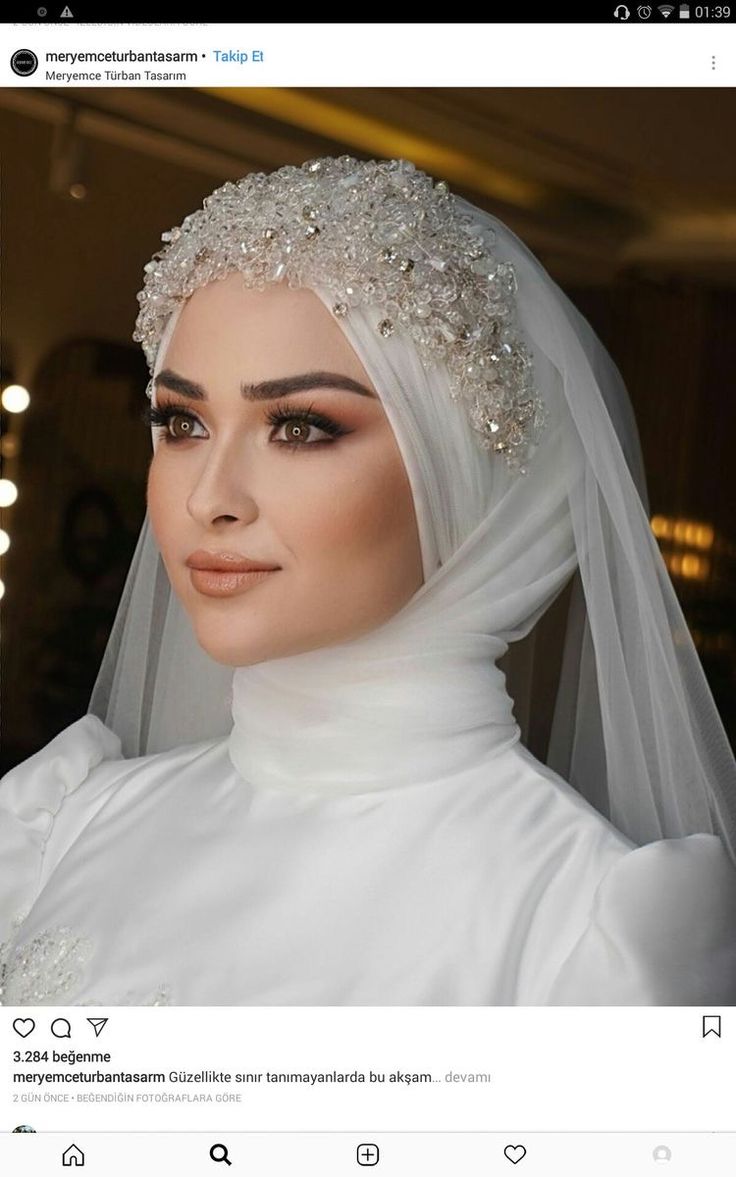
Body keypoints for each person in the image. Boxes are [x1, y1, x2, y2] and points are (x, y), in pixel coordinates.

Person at [1, 156, 735, 1007]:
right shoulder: (70, 821)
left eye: (302, 427)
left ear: (470, 480)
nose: (209, 497)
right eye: (182, 421)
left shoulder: (584, 929)